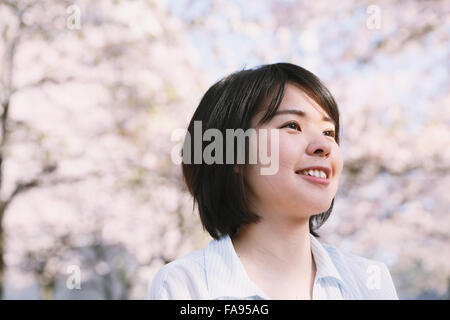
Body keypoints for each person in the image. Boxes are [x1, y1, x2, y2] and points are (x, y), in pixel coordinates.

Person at [147, 63, 399, 300]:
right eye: (292, 125)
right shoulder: (186, 285)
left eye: (329, 132)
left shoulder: (370, 282)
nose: (323, 146)